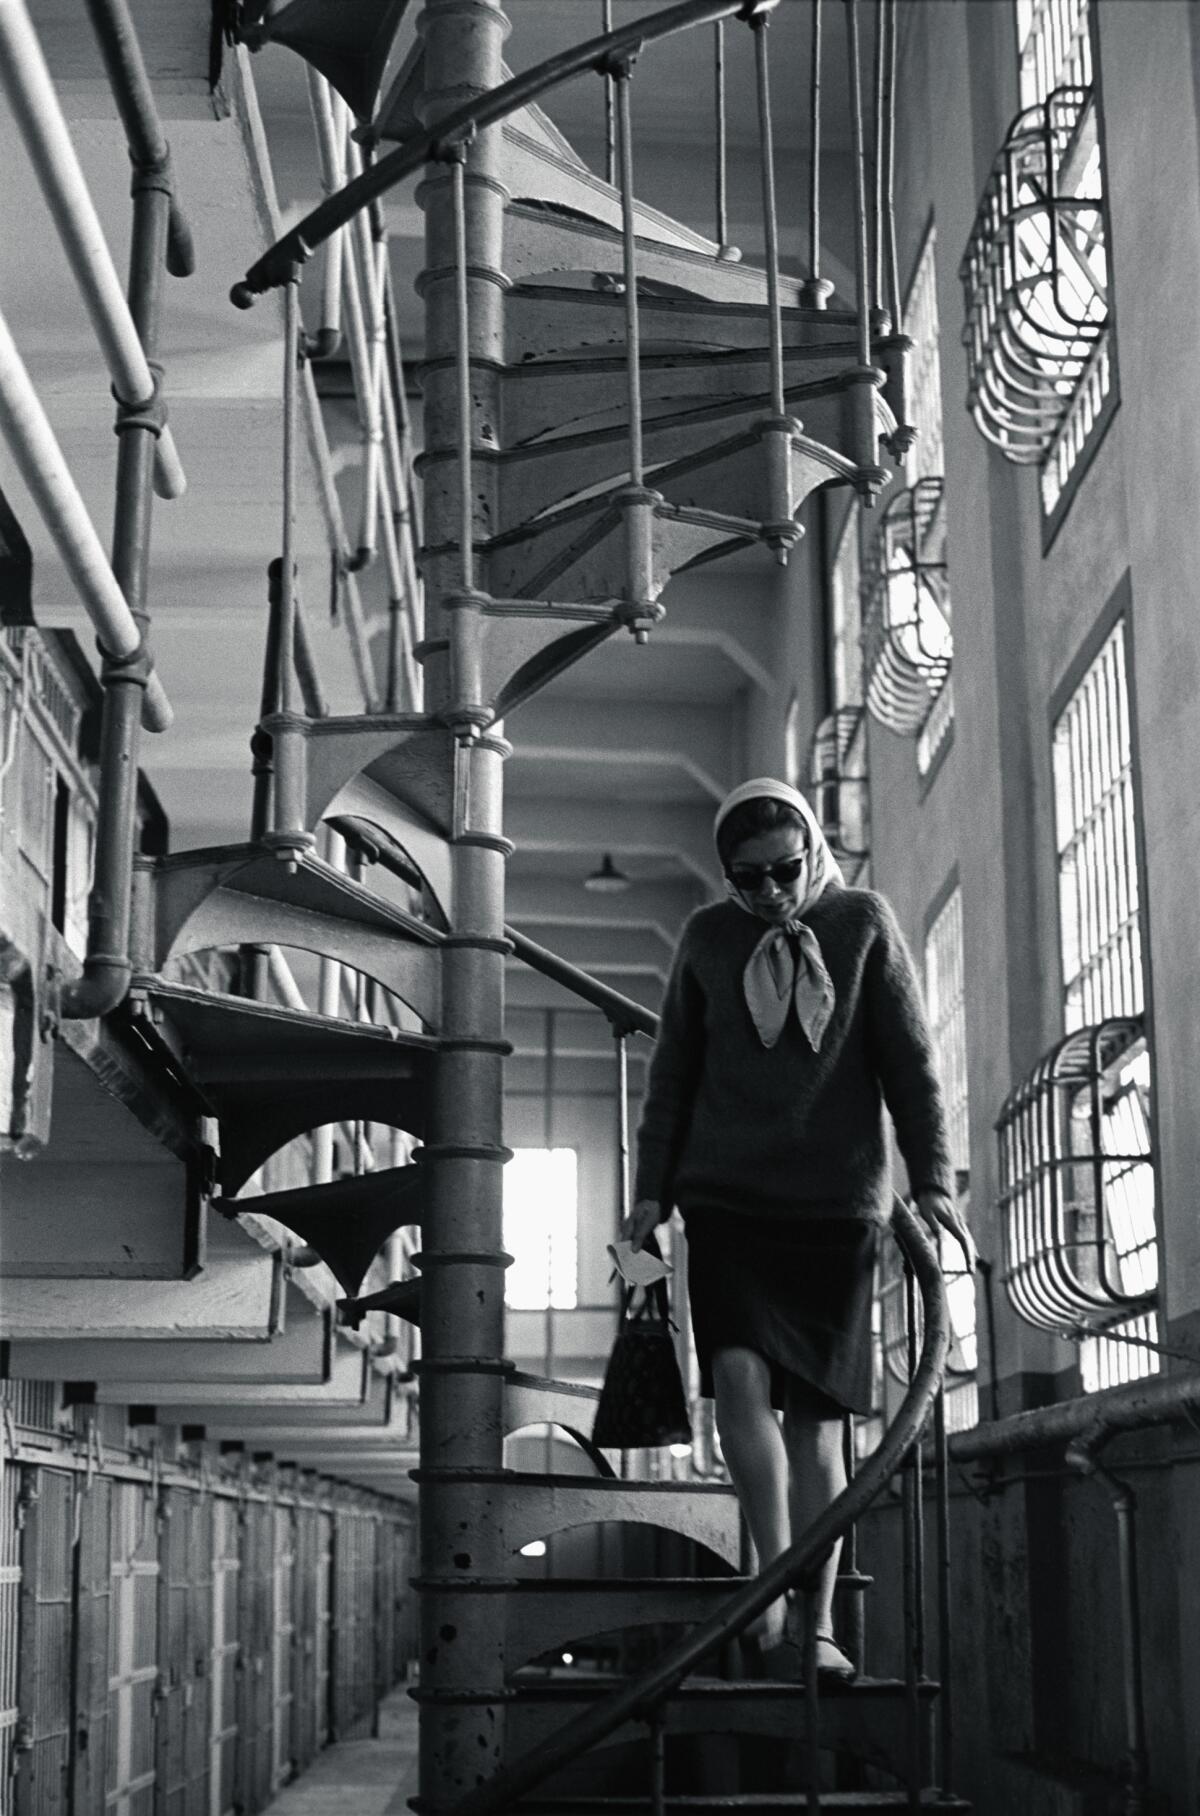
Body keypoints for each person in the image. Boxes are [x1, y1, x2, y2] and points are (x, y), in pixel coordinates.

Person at [623, 777, 973, 1677]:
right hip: (728, 1202)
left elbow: (909, 1060)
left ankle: (815, 1621)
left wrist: (931, 1182)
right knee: (737, 1384)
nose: (772, 892)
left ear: (812, 849)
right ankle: (770, 1579)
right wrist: (647, 1196)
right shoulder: (707, 939)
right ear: (726, 874)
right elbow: (671, 1080)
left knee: (820, 1425)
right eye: (749, 878)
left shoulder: (861, 924)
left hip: (835, 1208)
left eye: (786, 870)